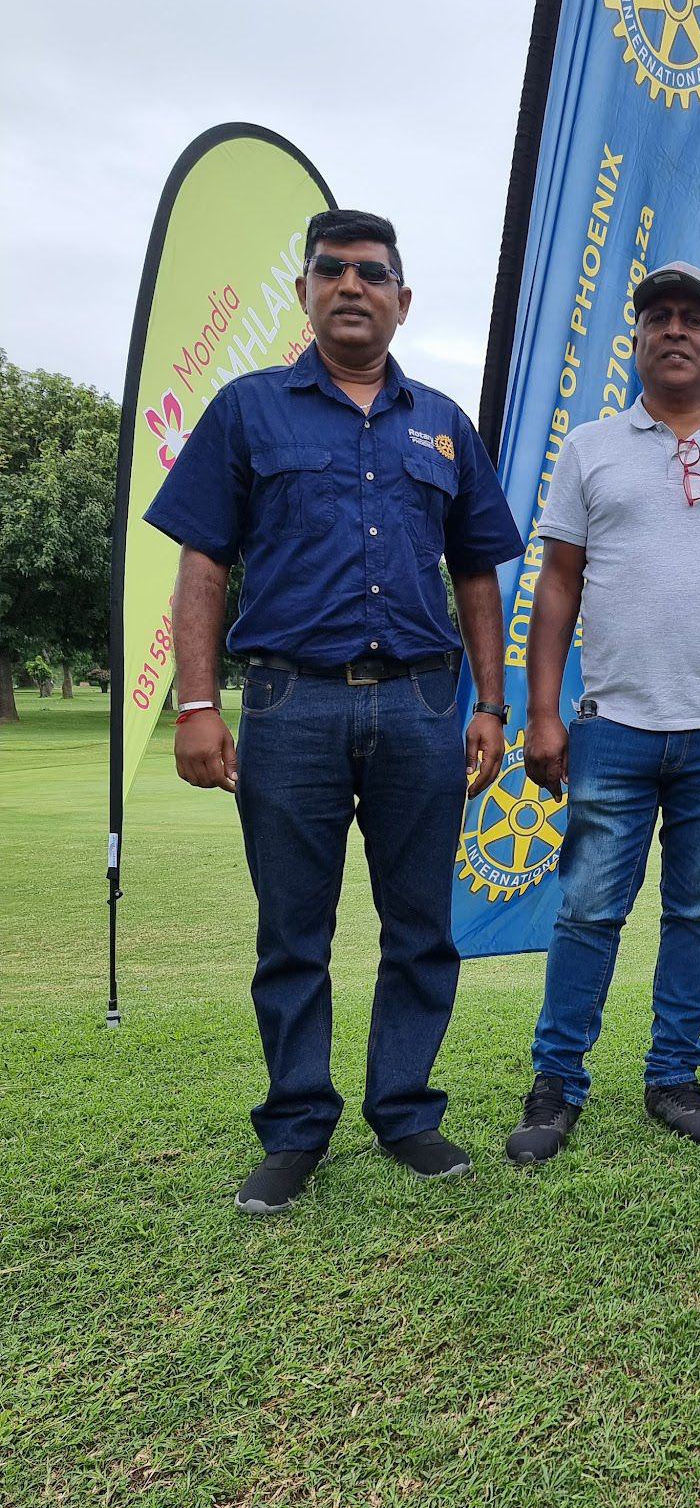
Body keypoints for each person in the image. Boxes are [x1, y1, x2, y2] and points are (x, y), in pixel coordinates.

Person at [146, 209, 523, 1214]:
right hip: (288, 703)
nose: (352, 285)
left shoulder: (443, 420)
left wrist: (492, 702)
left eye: (373, 272)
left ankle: (404, 1113)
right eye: (332, 269)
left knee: (421, 927)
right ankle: (297, 1127)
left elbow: (478, 570)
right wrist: (195, 702)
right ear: (305, 291)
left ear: (403, 298)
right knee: (292, 932)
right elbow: (201, 564)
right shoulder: (247, 412)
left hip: (420, 705)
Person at [504, 261, 700, 1164]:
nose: (675, 331)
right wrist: (544, 712)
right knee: (589, 910)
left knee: (697, 908)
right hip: (613, 726)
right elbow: (556, 588)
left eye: (694, 320)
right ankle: (557, 1081)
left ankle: (673, 1074)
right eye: (658, 318)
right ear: (633, 343)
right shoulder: (591, 447)